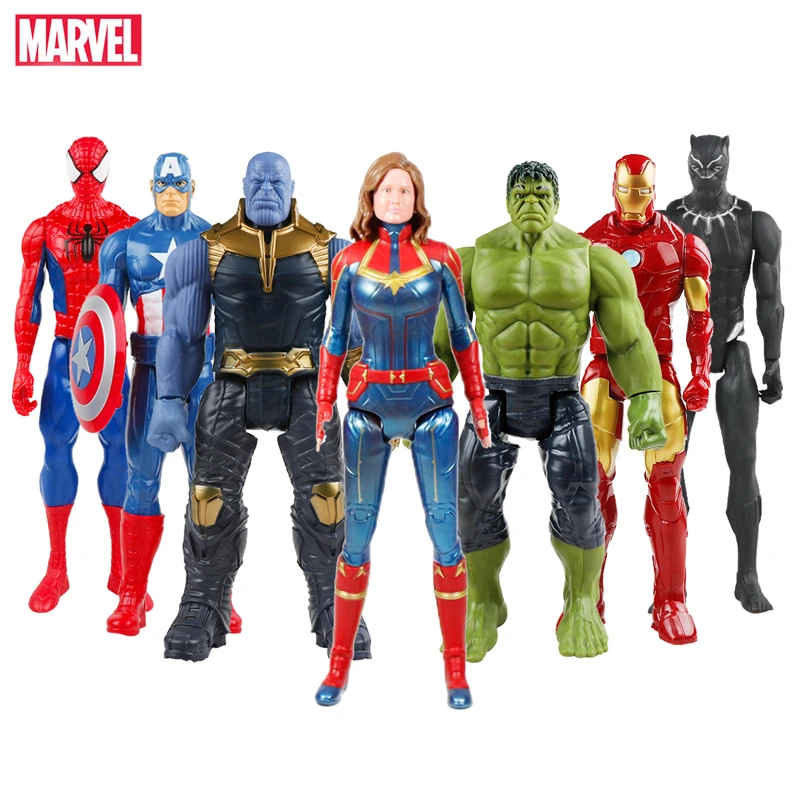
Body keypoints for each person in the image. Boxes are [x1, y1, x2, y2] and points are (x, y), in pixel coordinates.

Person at [434, 160, 666, 660]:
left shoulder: (591, 259)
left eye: (542, 194)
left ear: (558, 201)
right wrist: (420, 403)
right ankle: (484, 601)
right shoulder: (471, 259)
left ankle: (581, 601)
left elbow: (628, 339)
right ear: (506, 201)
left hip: (561, 394)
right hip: (493, 395)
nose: (531, 202)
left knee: (581, 499)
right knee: (471, 501)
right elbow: (442, 345)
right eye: (521, 194)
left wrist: (647, 397)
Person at [147, 152, 369, 661]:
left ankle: (334, 601)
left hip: (306, 386)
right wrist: (170, 399)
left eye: (276, 179)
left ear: (292, 185)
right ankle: (203, 602)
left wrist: (367, 397)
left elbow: (355, 337)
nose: (267, 187)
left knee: (327, 498)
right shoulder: (203, 251)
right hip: (230, 382)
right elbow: (180, 334)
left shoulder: (331, 250)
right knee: (207, 498)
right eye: (258, 179)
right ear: (243, 184)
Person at [315, 152, 490, 709]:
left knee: (445, 533)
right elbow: (335, 337)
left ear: (418, 199)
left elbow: (462, 335)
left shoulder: (440, 258)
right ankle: (339, 661)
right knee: (356, 536)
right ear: (371, 198)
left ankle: (456, 666)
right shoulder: (350, 261)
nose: (395, 199)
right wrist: (323, 399)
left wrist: (478, 401)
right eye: (387, 190)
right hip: (366, 408)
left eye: (405, 191)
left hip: (431, 405)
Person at [97, 153, 241, 635]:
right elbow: (102, 323)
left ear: (193, 186)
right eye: (164, 183)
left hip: (205, 373)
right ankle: (132, 595)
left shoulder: (217, 240)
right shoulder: (125, 243)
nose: (172, 191)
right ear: (151, 186)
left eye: (180, 184)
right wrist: (99, 384)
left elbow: (237, 312)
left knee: (212, 485)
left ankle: (217, 593)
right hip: (149, 373)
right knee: (141, 479)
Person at [581, 154, 712, 644]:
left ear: (654, 190)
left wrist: (700, 374)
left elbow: (701, 316)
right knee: (590, 485)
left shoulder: (681, 245)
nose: (634, 200)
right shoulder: (588, 242)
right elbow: (565, 315)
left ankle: (672, 600)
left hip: (658, 367)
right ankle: (586, 601)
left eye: (642, 191)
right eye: (626, 190)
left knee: (666, 484)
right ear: (613, 187)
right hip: (603, 366)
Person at [13, 137, 136, 613]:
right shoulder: (45, 229)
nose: (86, 180)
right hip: (65, 349)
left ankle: (122, 568)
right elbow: (28, 301)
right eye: (78, 171)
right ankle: (57, 567)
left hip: (113, 351)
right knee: (55, 448)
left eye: (94, 171)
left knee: (122, 452)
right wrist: (21, 365)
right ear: (68, 171)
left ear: (106, 171)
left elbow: (152, 300)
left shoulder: (128, 227)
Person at [665, 135, 783, 614]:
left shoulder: (753, 222)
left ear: (728, 162)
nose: (705, 174)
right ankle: (670, 585)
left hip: (732, 345)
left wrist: (773, 360)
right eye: (698, 165)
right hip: (678, 351)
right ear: (687, 163)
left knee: (744, 460)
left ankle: (747, 575)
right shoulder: (668, 219)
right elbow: (640, 294)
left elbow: (769, 297)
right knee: (668, 468)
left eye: (714, 166)